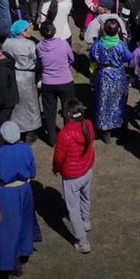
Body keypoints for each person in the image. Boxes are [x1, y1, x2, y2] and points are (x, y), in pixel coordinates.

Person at [0, 121, 40, 279]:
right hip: (24, 190)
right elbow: (33, 172)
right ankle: (23, 252)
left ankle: (9, 263)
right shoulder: (26, 149)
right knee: (24, 223)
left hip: (5, 193)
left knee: (6, 229)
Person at [52, 100, 96, 253]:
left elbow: (58, 157)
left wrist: (56, 168)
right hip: (87, 171)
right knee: (85, 197)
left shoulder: (65, 134)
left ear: (69, 114)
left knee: (73, 209)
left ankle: (83, 242)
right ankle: (86, 221)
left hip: (72, 177)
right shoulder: (88, 125)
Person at [88, 18, 132, 139]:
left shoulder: (98, 44)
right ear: (118, 31)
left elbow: (92, 56)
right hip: (118, 75)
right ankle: (120, 127)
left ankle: (105, 131)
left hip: (103, 75)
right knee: (119, 100)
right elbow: (128, 57)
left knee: (103, 101)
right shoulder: (120, 45)